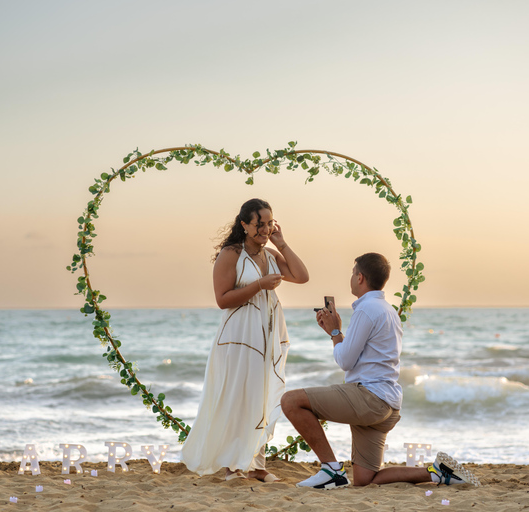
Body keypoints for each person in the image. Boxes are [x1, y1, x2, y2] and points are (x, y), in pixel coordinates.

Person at [281, 252, 480, 489]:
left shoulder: (366, 310)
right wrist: (337, 333)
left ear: (360, 277)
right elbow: (362, 358)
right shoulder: (387, 310)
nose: (351, 278)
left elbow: (345, 361)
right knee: (366, 481)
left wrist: (335, 333)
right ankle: (437, 473)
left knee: (291, 401)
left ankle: (332, 470)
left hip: (369, 399)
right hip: (388, 404)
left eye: (353, 273)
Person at [182, 198, 309, 482]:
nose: (265, 229)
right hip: (238, 338)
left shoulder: (272, 256)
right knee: (238, 397)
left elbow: (302, 277)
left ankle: (257, 466)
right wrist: (259, 285)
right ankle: (233, 466)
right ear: (244, 225)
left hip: (266, 336)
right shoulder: (231, 254)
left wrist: (282, 243)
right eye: (259, 224)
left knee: (263, 397)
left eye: (269, 223)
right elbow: (222, 299)